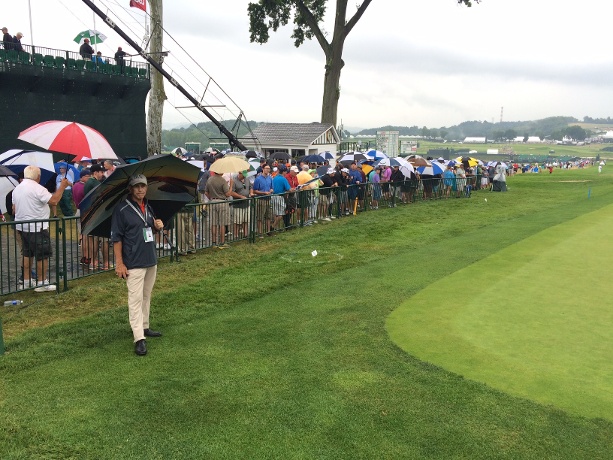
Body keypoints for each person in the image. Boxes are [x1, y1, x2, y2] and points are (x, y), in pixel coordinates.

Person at [111, 174, 164, 356]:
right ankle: (139, 338)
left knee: (146, 295)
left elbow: (147, 230)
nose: (140, 189)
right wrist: (120, 263)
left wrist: (157, 226)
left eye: (143, 186)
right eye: (137, 186)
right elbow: (116, 239)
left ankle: (144, 326)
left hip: (150, 258)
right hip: (133, 262)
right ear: (130, 189)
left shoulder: (147, 206)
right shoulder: (122, 209)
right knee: (134, 299)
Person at [12, 165, 70, 291]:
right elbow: (54, 201)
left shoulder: (17, 188)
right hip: (37, 227)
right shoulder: (38, 188)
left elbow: (14, 209)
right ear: (38, 177)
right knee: (42, 255)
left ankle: (27, 281)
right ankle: (42, 282)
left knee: (27, 254)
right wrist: (62, 187)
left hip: (22, 226)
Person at [204, 171, 231, 248]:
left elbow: (206, 192)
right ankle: (222, 242)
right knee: (222, 223)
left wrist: (211, 198)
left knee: (213, 223)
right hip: (222, 202)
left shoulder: (209, 179)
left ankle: (214, 242)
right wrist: (231, 185)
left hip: (213, 202)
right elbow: (227, 194)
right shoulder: (222, 180)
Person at [229, 170, 251, 238]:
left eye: (245, 174)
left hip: (246, 203)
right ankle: (236, 235)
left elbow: (250, 188)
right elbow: (231, 192)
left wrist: (251, 193)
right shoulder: (234, 180)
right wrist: (240, 196)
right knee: (237, 221)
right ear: (239, 173)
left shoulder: (247, 179)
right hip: (238, 204)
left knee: (246, 220)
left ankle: (245, 234)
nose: (244, 176)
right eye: (243, 174)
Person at [252, 164, 273, 237]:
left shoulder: (270, 178)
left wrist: (271, 190)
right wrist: (263, 192)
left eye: (269, 168)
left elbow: (272, 187)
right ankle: (260, 232)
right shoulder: (258, 179)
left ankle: (268, 231)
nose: (268, 170)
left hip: (268, 198)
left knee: (268, 216)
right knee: (260, 216)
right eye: (266, 168)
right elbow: (254, 190)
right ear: (263, 169)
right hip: (261, 199)